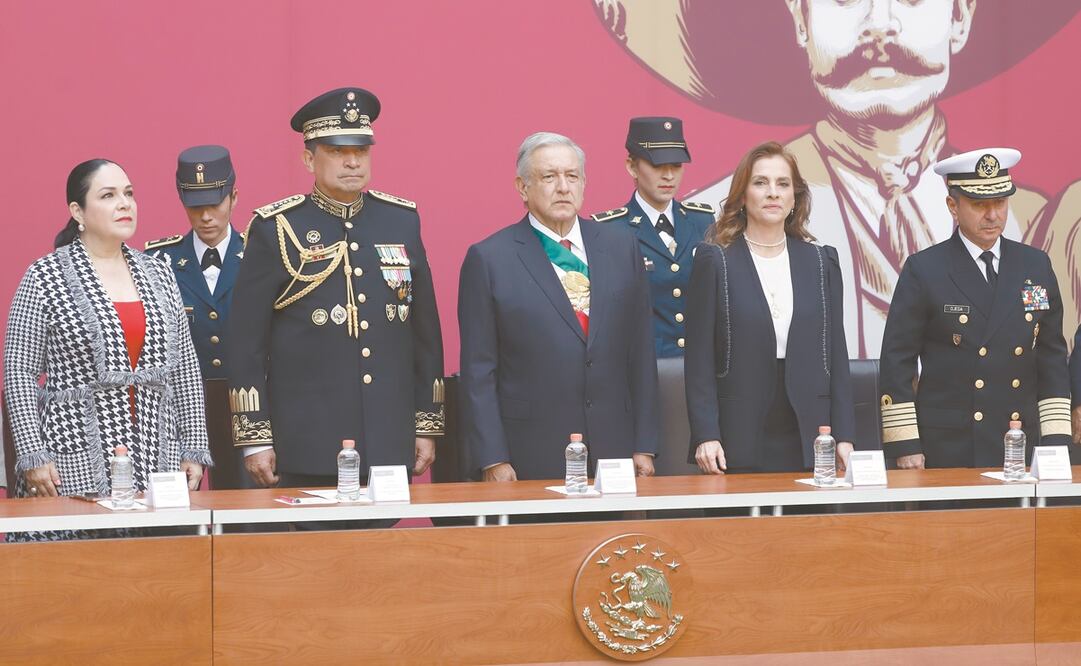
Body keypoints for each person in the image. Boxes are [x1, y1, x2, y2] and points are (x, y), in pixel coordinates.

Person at [597, 1, 1081, 357]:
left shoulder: (1036, 224)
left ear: (961, 15)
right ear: (799, 19)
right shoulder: (722, 219)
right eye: (846, 1)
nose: (881, 26)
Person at [227, 88, 444, 497]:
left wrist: (426, 424)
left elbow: (424, 335)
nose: (351, 161)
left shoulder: (401, 222)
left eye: (361, 151)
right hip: (307, 441)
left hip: (387, 439)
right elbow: (247, 345)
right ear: (309, 159)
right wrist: (255, 437)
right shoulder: (275, 228)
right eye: (337, 150)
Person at [4, 159, 211, 538]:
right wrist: (33, 454)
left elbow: (184, 369)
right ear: (77, 211)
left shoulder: (159, 273)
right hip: (73, 451)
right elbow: (18, 370)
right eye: (108, 195)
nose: (124, 204)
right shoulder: (45, 276)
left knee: (152, 577)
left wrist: (193, 447)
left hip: (155, 452)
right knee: (78, 573)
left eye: (129, 194)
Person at [458, 132, 659, 483]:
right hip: (529, 453)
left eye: (572, 176)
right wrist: (493, 458)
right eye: (549, 177)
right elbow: (479, 371)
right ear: (523, 187)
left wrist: (644, 443)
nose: (563, 187)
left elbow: (640, 353)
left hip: (613, 450)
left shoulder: (621, 247)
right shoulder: (490, 259)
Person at [879, 148, 1073, 469]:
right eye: (979, 204)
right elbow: (897, 363)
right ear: (953, 206)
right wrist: (905, 444)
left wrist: (1055, 441)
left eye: (1000, 202)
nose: (992, 215)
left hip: (1018, 440)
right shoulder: (925, 269)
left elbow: (1051, 356)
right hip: (950, 444)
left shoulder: (1035, 266)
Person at [685, 141, 855, 474]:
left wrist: (845, 434)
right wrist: (706, 434)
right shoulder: (715, 260)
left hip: (811, 430)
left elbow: (836, 354)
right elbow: (699, 360)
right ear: (742, 195)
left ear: (795, 197)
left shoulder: (821, 262)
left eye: (783, 184)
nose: (772, 193)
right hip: (739, 430)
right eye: (760, 183)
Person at [591, 117, 713, 476]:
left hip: (700, 381)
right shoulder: (606, 230)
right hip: (640, 383)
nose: (669, 175)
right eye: (657, 165)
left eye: (676, 165)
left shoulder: (706, 223)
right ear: (631, 165)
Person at [146, 145, 246, 488]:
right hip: (182, 407)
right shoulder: (157, 262)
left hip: (246, 402)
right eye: (195, 206)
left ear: (234, 196)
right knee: (179, 518)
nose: (206, 216)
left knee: (246, 515)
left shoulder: (261, 257)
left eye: (215, 203)